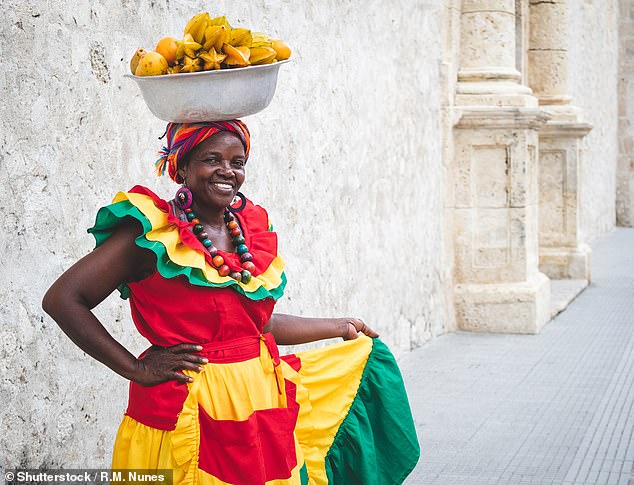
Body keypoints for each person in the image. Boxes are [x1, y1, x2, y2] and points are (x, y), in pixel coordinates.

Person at [43, 120, 419, 484]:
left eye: (236, 162)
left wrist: (337, 325)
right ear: (182, 167)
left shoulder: (248, 233)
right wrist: (136, 370)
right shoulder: (151, 234)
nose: (226, 171)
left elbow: (256, 327)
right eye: (211, 159)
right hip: (185, 408)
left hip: (256, 404)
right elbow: (63, 299)